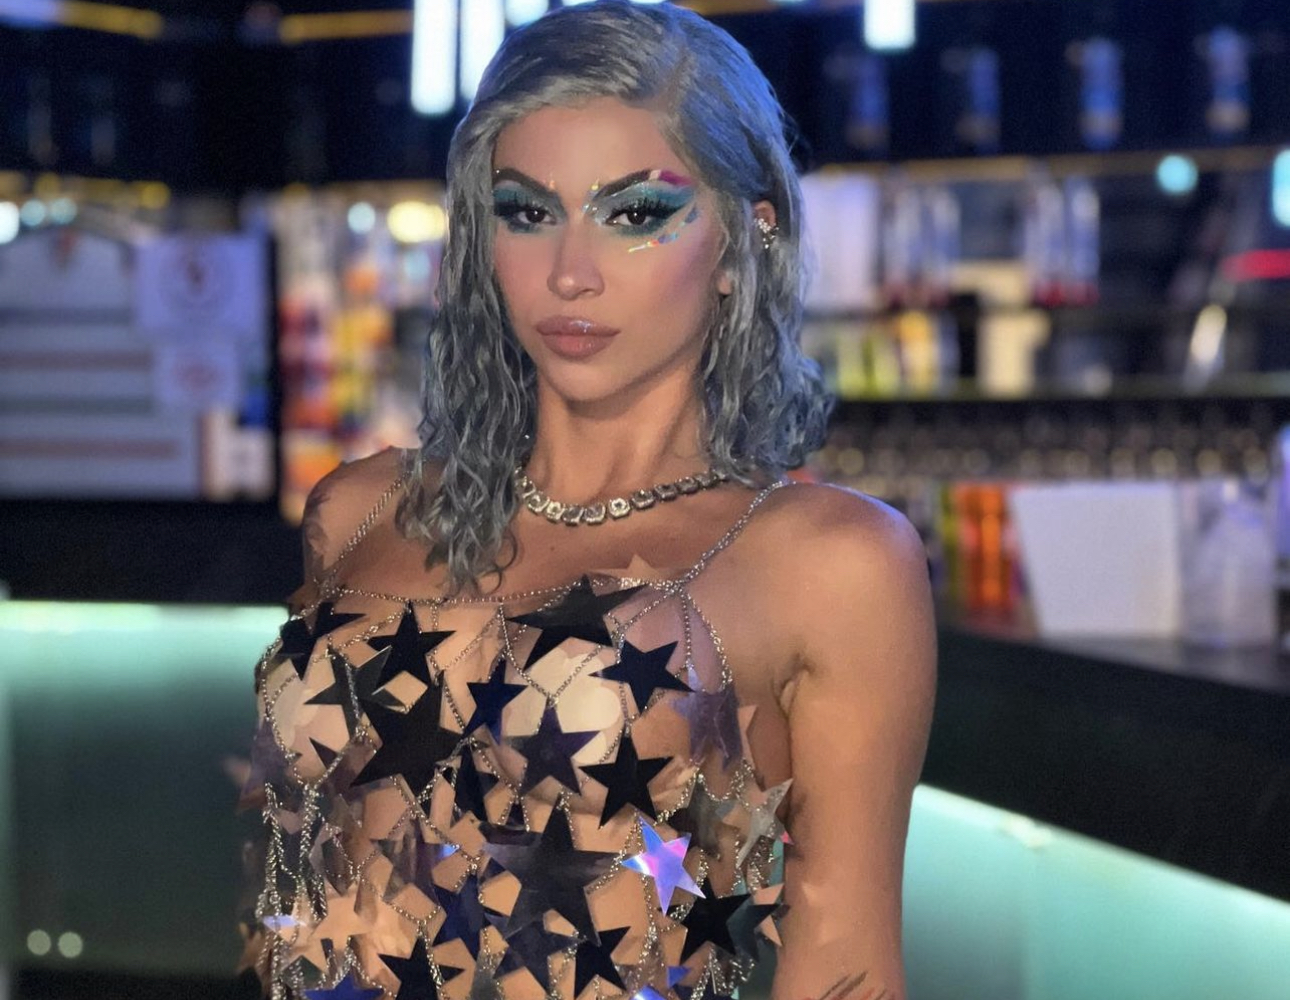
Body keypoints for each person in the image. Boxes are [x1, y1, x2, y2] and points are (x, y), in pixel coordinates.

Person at [239, 3, 936, 999]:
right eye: (526, 212)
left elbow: (846, 968)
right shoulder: (360, 509)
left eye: (635, 214)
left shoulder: (830, 562)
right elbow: (302, 895)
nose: (570, 273)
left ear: (742, 238)